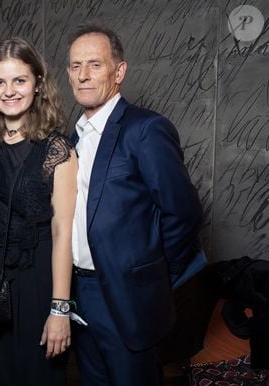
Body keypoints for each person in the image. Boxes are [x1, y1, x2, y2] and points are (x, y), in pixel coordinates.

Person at [66, 23, 203, 386]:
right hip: (80, 293)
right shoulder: (71, 137)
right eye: (75, 66)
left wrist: (154, 274)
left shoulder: (146, 129)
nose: (83, 75)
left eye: (95, 64)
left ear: (119, 71)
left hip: (128, 299)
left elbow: (183, 212)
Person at [0, 37, 77, 386]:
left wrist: (59, 308)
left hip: (38, 282)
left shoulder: (56, 149)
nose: (9, 91)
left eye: (20, 80)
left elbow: (63, 231)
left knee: (39, 377)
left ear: (38, 84)